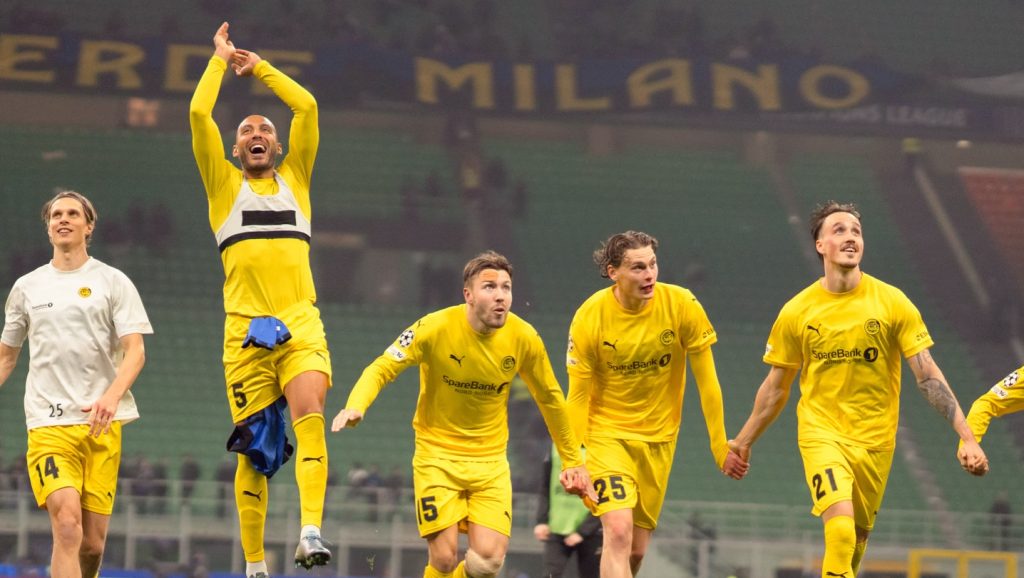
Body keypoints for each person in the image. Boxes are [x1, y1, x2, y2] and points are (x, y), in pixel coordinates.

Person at [728, 201, 988, 577]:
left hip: (876, 442)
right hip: (822, 434)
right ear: (820, 245)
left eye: (856, 231)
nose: (850, 237)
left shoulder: (892, 302)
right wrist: (744, 440)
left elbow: (927, 375)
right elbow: (775, 388)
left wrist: (967, 437)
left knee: (854, 547)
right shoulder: (797, 312)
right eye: (839, 230)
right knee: (840, 532)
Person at [332, 251, 595, 578]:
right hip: (436, 457)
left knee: (487, 564)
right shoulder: (433, 327)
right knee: (443, 559)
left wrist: (572, 460)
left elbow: (551, 399)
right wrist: (356, 404)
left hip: (490, 462)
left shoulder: (524, 337)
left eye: (506, 287)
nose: (500, 295)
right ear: (468, 294)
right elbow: (383, 367)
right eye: (489, 287)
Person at [190, 22, 333, 576]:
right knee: (256, 450)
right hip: (244, 332)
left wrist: (261, 69)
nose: (256, 133)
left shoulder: (298, 179)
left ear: (278, 147)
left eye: (265, 130)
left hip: (300, 322)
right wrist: (219, 62)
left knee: (310, 413)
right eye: (247, 130)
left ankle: (310, 530)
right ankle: (255, 565)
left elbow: (308, 107)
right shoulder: (224, 187)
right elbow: (199, 114)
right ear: (235, 149)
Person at [566, 230, 747, 578]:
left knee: (635, 551)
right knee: (618, 531)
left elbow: (708, 382)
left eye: (652, 264)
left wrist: (718, 445)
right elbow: (576, 396)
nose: (649, 274)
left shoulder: (681, 305)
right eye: (638, 267)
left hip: (659, 441)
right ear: (613, 272)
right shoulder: (590, 316)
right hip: (607, 436)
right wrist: (574, 459)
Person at [0, 190, 152, 578]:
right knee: (67, 525)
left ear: (89, 226)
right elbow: (6, 356)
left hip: (101, 426)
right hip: (48, 426)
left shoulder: (113, 281)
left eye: (72, 213)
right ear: (48, 227)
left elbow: (135, 351)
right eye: (56, 215)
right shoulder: (27, 287)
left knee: (92, 544)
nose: (63, 219)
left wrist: (111, 398)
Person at [533, 443, 602, 578]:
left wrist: (583, 532)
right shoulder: (555, 447)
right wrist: (541, 521)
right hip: (557, 527)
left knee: (591, 575)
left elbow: (604, 495)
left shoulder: (600, 447)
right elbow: (545, 486)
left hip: (592, 531)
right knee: (551, 574)